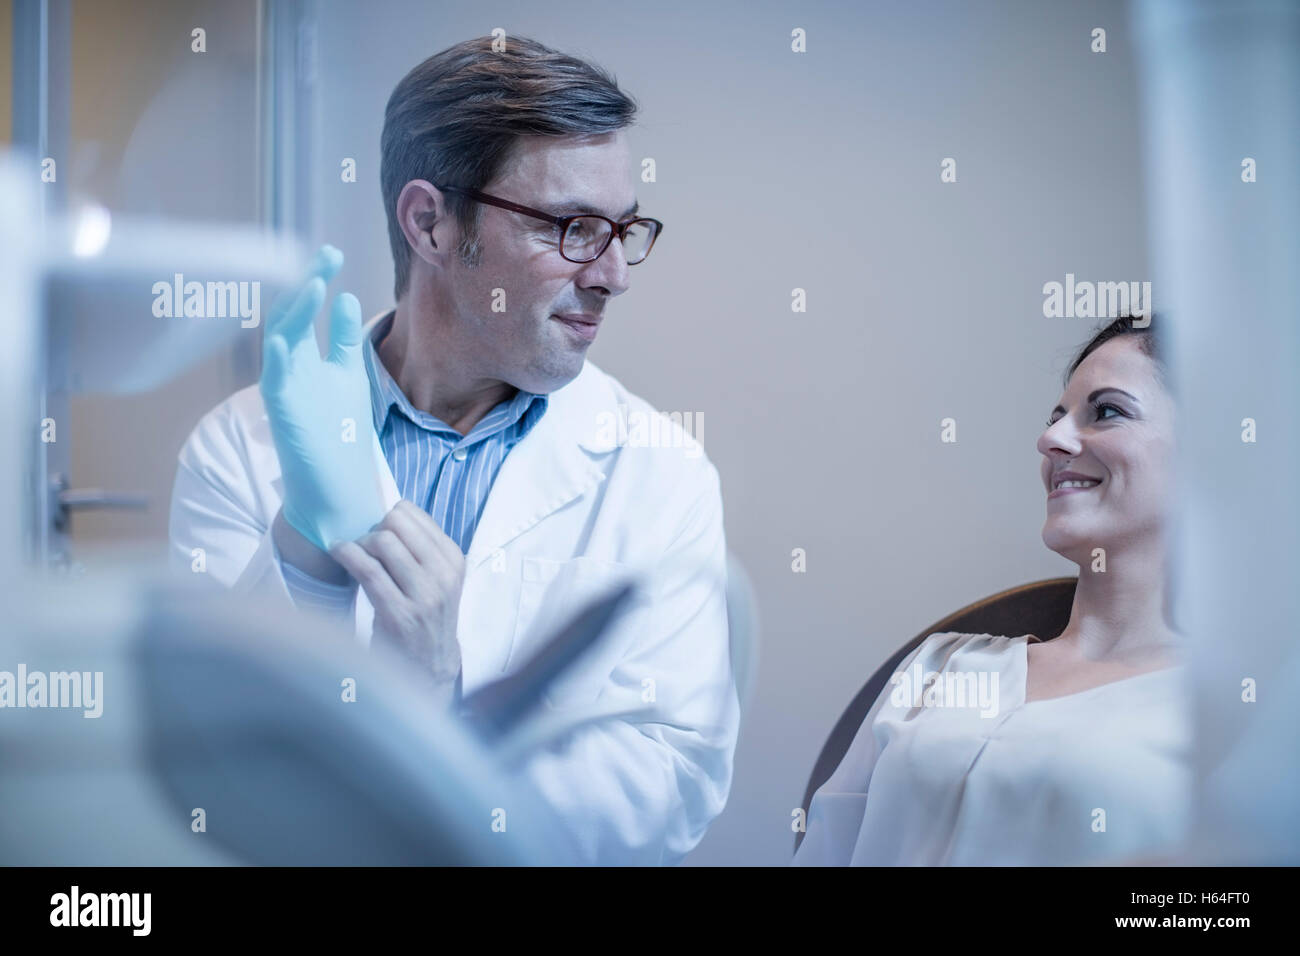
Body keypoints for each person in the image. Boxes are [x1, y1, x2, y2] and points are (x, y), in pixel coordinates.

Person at [168, 36, 738, 866]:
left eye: (625, 229)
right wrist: (306, 558)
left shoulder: (659, 469)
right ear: (431, 223)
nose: (615, 273)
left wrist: (442, 706)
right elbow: (199, 761)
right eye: (574, 228)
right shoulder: (239, 446)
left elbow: (672, 785)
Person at [793, 315, 1190, 865]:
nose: (1050, 439)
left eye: (1107, 411)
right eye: (1056, 418)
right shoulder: (939, 666)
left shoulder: (1234, 718)